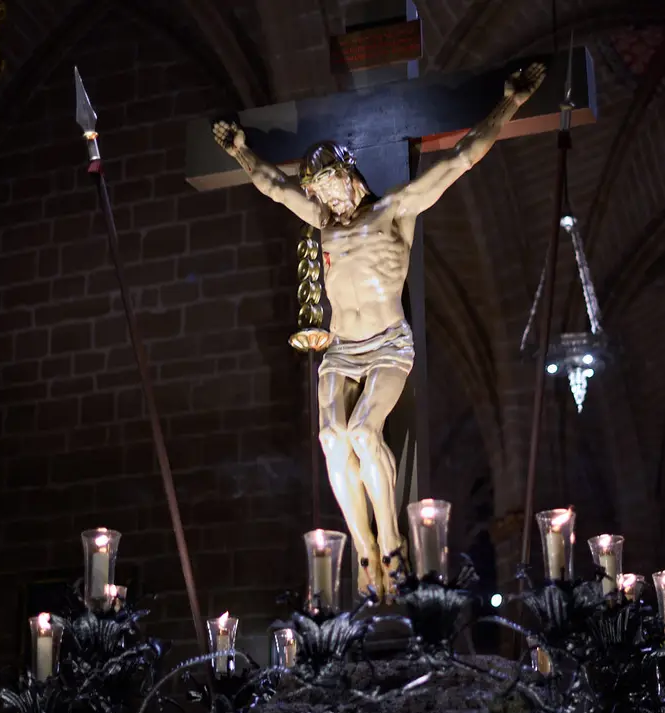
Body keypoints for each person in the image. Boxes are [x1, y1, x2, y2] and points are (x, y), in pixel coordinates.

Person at [212, 63, 546, 598]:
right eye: (320, 192)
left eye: (333, 186)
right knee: (329, 436)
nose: (330, 200)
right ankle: (362, 547)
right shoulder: (322, 223)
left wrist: (508, 104)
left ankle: (391, 544)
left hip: (389, 345)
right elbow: (273, 187)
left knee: (365, 432)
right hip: (342, 350)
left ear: (351, 175)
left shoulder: (394, 211)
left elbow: (461, 160)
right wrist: (239, 152)